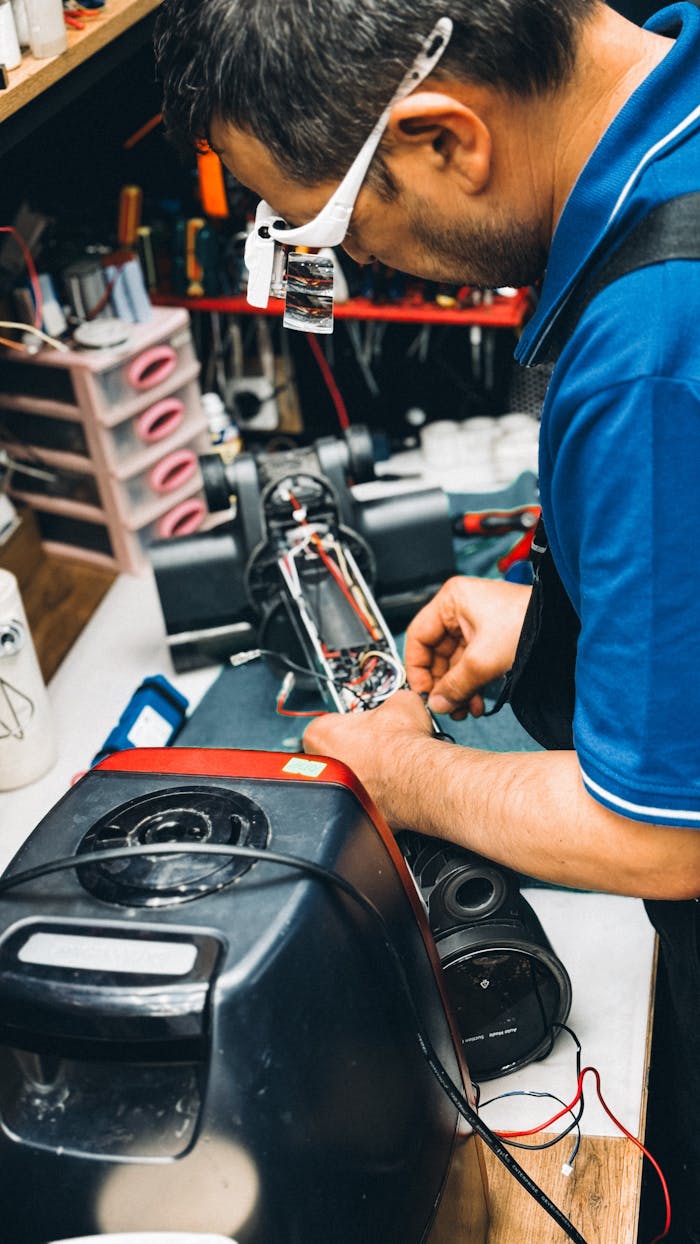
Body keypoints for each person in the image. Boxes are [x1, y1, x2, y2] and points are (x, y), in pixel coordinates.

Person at [155, 1, 700, 1237]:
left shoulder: (655, 340)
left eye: (334, 227)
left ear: (444, 139)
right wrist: (580, 613)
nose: (357, 267)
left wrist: (401, 771)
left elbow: (666, 835)